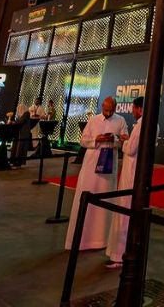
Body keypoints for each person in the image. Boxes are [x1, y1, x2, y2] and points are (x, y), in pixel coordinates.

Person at [65, 96, 128, 251]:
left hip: (108, 165)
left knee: (106, 198)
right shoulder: (93, 120)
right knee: (87, 196)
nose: (108, 112)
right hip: (91, 165)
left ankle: (103, 239)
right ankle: (83, 239)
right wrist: (96, 140)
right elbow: (84, 141)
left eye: (111, 110)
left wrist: (113, 139)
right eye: (106, 110)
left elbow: (123, 141)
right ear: (102, 107)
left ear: (115, 108)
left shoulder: (120, 121)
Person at [104, 96, 142, 270]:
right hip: (136, 173)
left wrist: (125, 142)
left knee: (124, 212)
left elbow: (131, 149)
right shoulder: (151, 124)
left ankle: (119, 255)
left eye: (134, 108)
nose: (132, 111)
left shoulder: (140, 125)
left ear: (138, 109)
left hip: (131, 172)